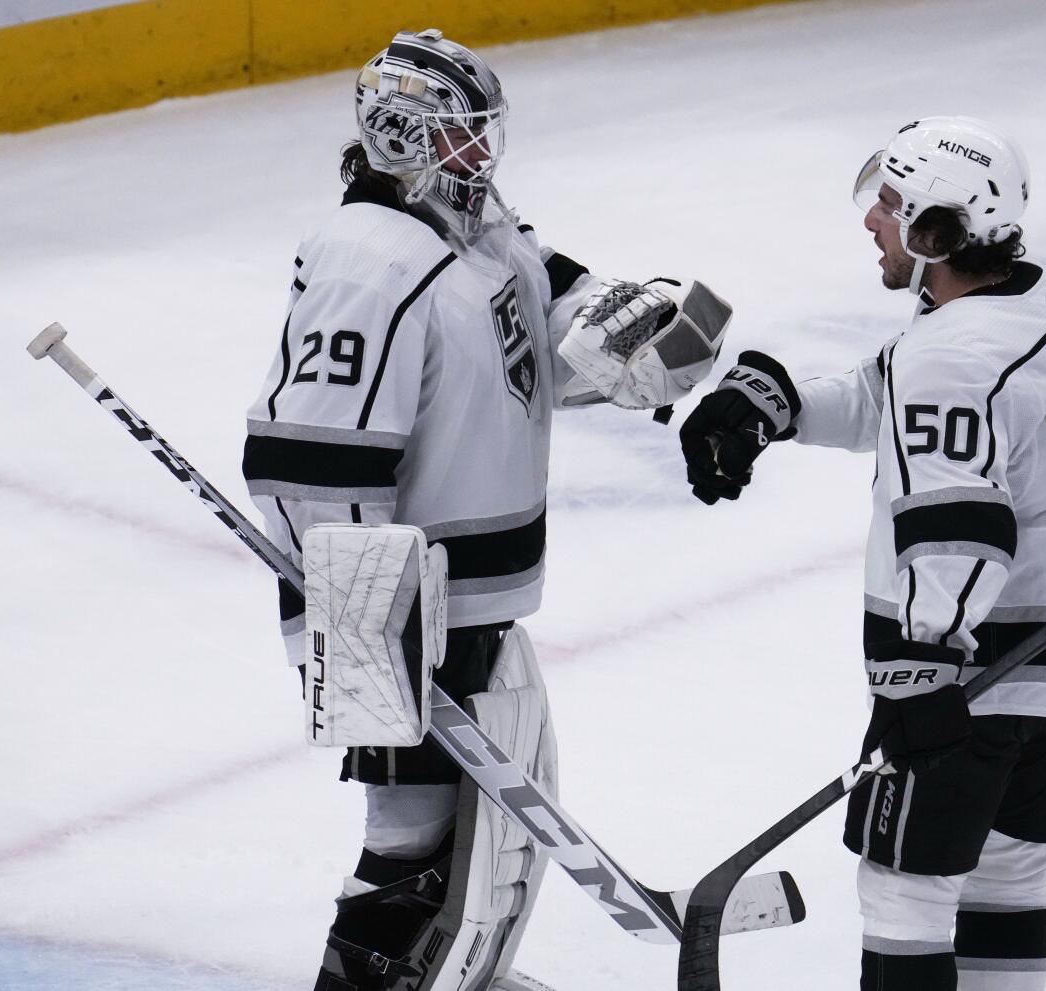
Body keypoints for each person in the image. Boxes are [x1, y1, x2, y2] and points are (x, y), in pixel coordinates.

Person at [242, 29, 729, 991]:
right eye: (461, 138)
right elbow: (308, 458)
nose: (482, 155)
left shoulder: (481, 232)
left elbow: (563, 317)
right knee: (413, 841)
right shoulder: (365, 261)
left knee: (485, 855)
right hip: (399, 610)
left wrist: (639, 340)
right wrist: (364, 629)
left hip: (469, 606)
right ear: (401, 138)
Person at [679, 116, 1046, 990]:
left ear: (938, 232)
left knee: (906, 895)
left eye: (892, 205)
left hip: (984, 661)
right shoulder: (1040, 296)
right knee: (1006, 876)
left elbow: (964, 528)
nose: (873, 221)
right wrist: (777, 405)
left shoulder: (950, 354)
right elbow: (893, 390)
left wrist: (923, 673)